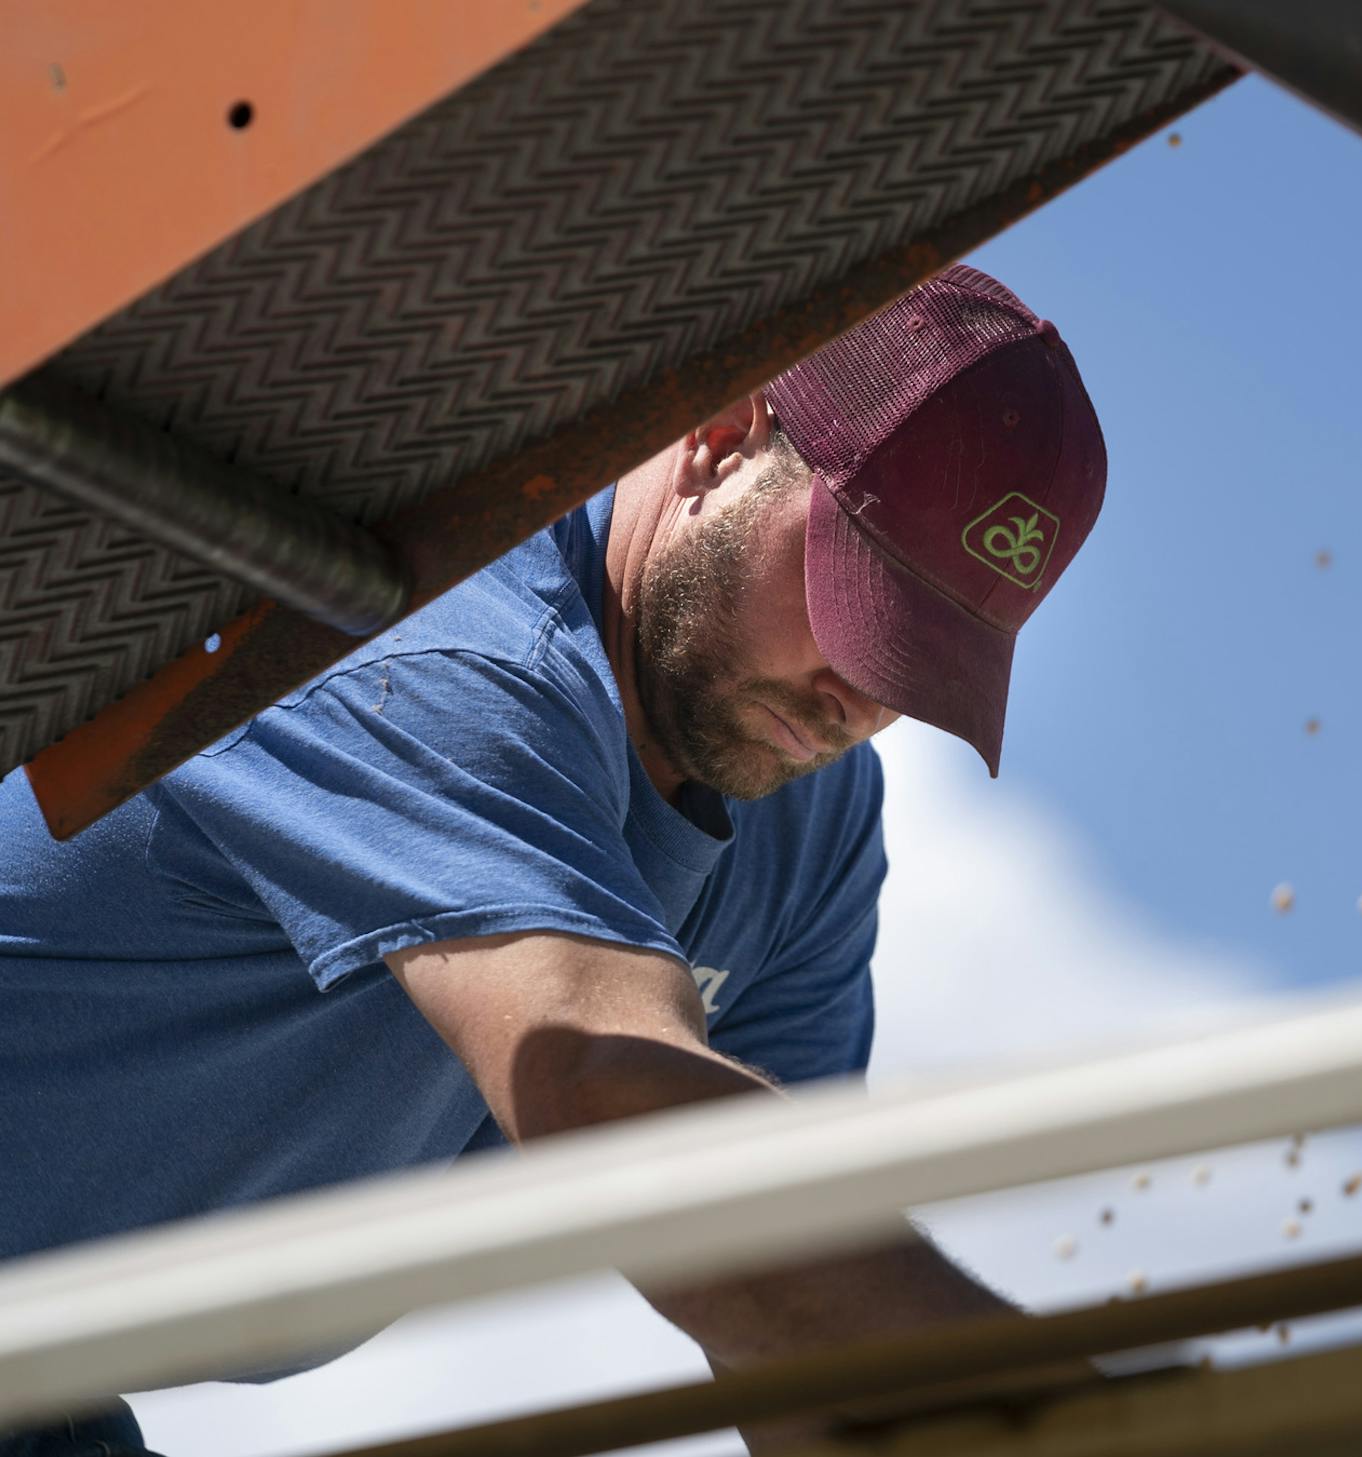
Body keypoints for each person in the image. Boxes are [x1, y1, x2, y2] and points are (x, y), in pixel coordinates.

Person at [0, 265, 1108, 1455]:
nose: (864, 697)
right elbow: (595, 1075)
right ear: (721, 433)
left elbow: (791, 1296)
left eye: (919, 660)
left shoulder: (811, 829)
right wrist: (1076, 1424)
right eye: (855, 600)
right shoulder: (419, 627)